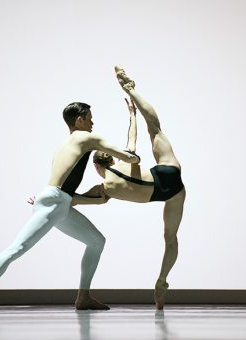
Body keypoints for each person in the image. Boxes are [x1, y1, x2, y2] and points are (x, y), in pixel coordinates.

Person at [0, 102, 140, 312]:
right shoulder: (86, 138)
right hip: (56, 200)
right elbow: (130, 157)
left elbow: (66, 194)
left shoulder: (65, 145)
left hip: (58, 201)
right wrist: (133, 130)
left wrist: (94, 200)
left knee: (96, 241)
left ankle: (83, 297)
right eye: (90, 118)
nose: (93, 122)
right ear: (80, 120)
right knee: (18, 247)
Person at [74, 66, 186, 310]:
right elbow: (132, 140)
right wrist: (132, 115)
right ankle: (132, 91)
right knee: (154, 127)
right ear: (112, 159)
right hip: (170, 175)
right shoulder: (125, 161)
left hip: (162, 195)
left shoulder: (103, 188)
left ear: (96, 165)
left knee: (170, 239)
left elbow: (75, 199)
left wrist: (47, 197)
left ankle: (162, 281)